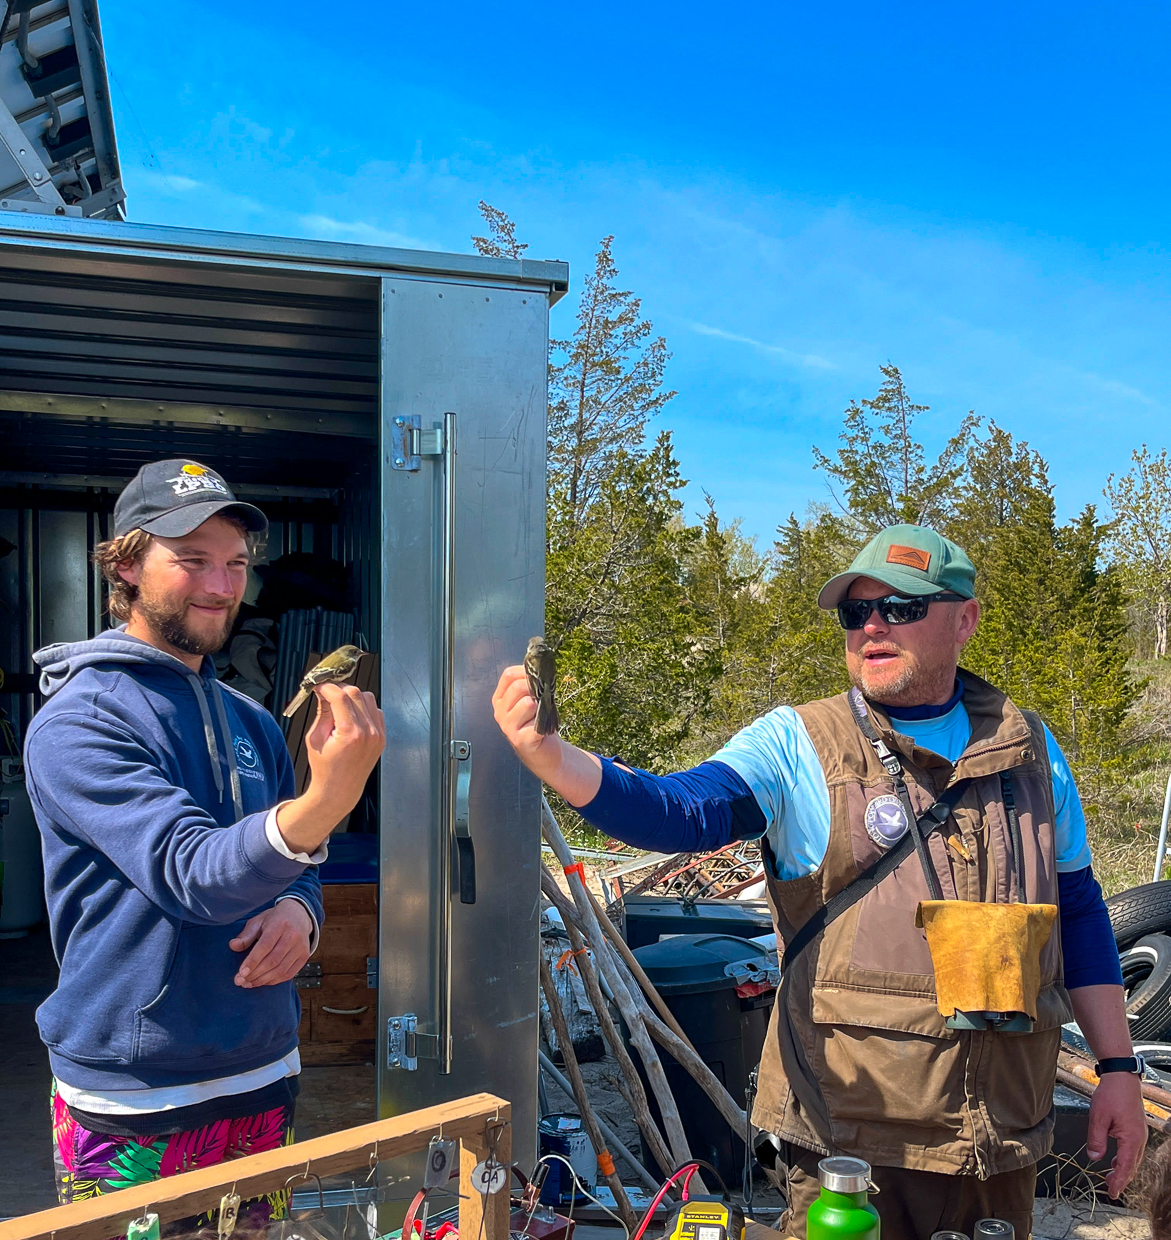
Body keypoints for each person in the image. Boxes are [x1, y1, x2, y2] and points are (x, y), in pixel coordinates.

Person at [493, 524, 1146, 1239]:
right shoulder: (797, 742)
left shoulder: (1031, 749)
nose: (871, 626)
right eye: (853, 612)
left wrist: (1117, 1066)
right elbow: (681, 811)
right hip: (849, 1151)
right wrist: (552, 756)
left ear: (964, 621)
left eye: (898, 608)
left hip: (1000, 1141)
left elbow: (1078, 916)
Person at [24, 459, 384, 1226]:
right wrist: (330, 798)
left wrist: (301, 912)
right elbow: (192, 872)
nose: (220, 586)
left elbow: (295, 864)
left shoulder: (250, 719)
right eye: (191, 560)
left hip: (261, 1067)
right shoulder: (81, 721)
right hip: (133, 1089)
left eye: (235, 564)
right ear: (126, 563)